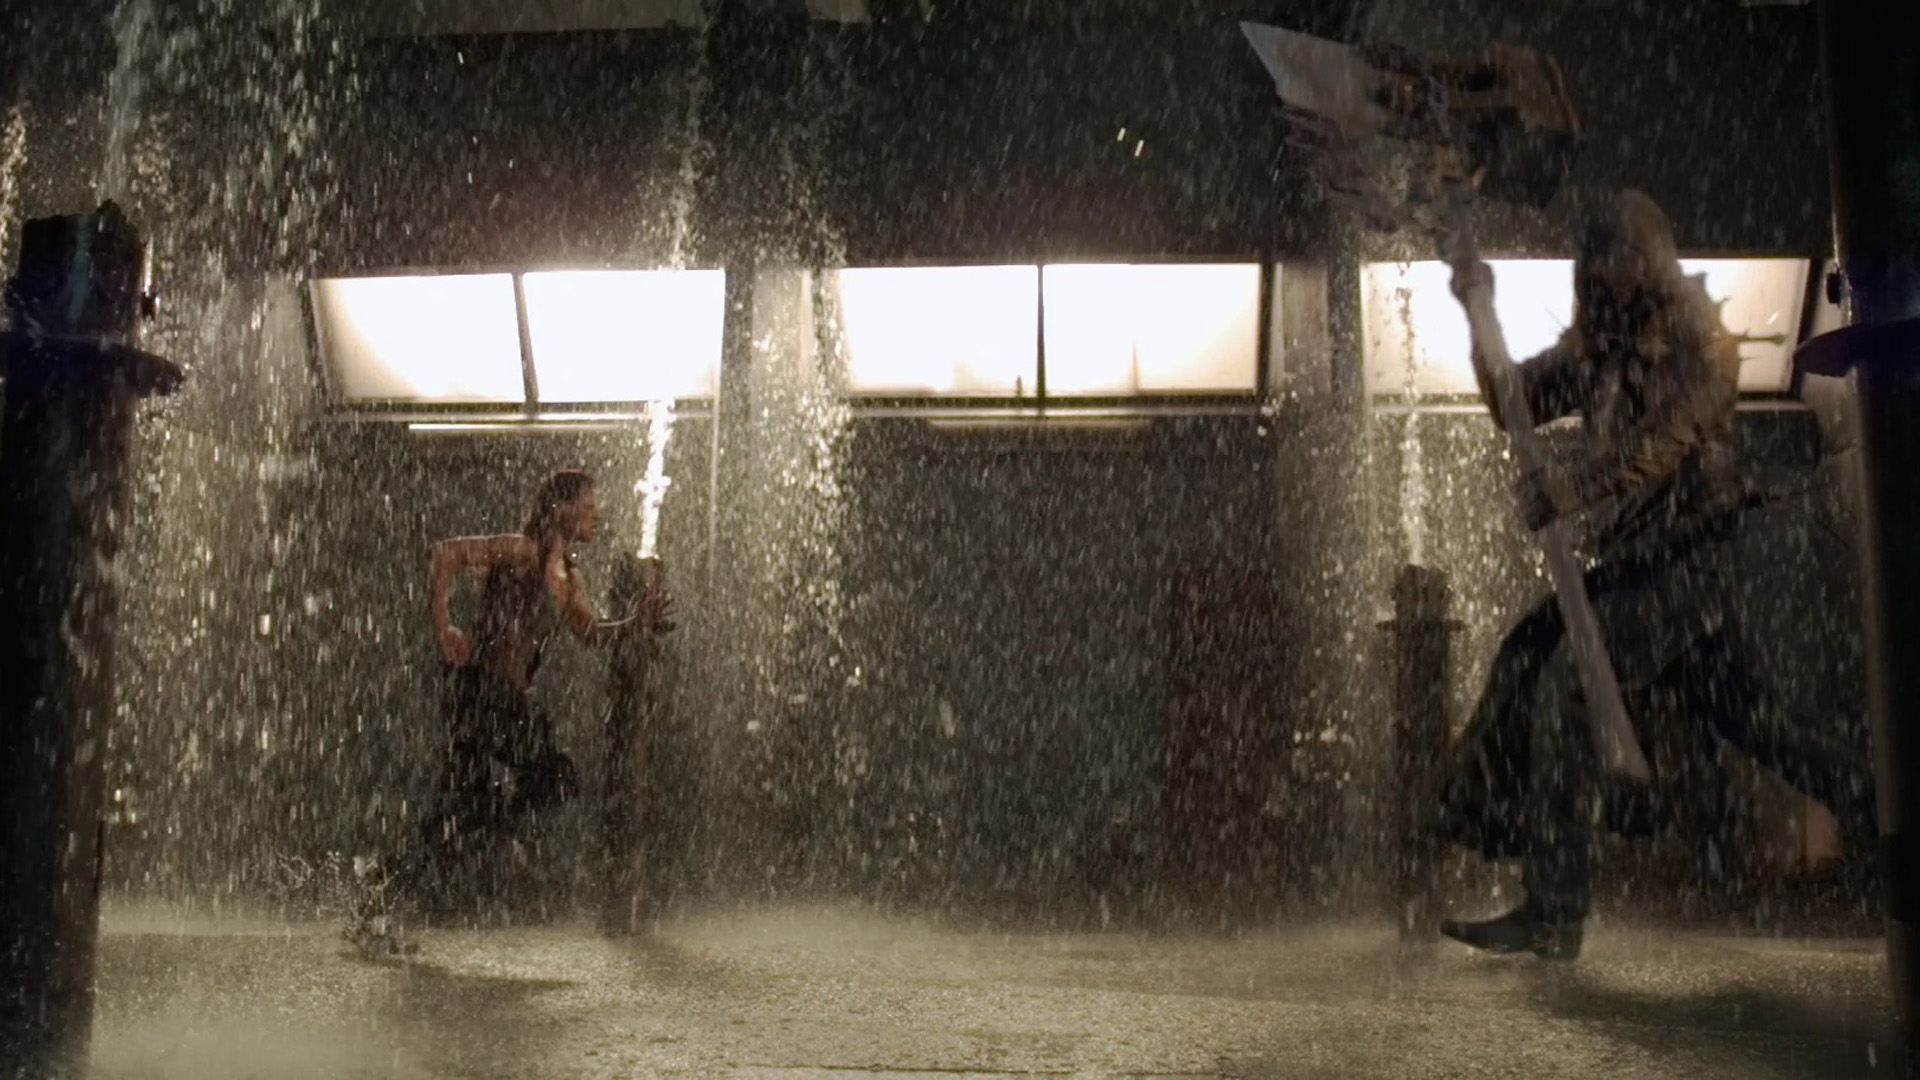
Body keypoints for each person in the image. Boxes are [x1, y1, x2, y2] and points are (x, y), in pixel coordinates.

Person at [1435, 189, 1877, 960]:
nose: (1598, 271)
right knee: (1754, 723)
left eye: (1612, 255)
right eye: (1593, 256)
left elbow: (1671, 436)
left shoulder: (1698, 334)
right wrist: (1479, 312)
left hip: (1686, 565)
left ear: (1645, 259)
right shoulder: (1598, 346)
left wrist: (1573, 488)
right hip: (1635, 571)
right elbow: (1516, 403)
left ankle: (1555, 907)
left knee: (1570, 681)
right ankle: (1880, 807)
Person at [416, 469, 676, 897]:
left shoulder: (568, 579)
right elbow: (446, 553)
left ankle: (403, 883)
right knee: (537, 782)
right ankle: (478, 841)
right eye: (588, 507)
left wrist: (636, 621)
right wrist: (444, 626)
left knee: (497, 797)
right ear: (560, 510)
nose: (597, 516)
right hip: (478, 690)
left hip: (505, 698)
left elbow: (589, 633)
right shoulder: (524, 551)